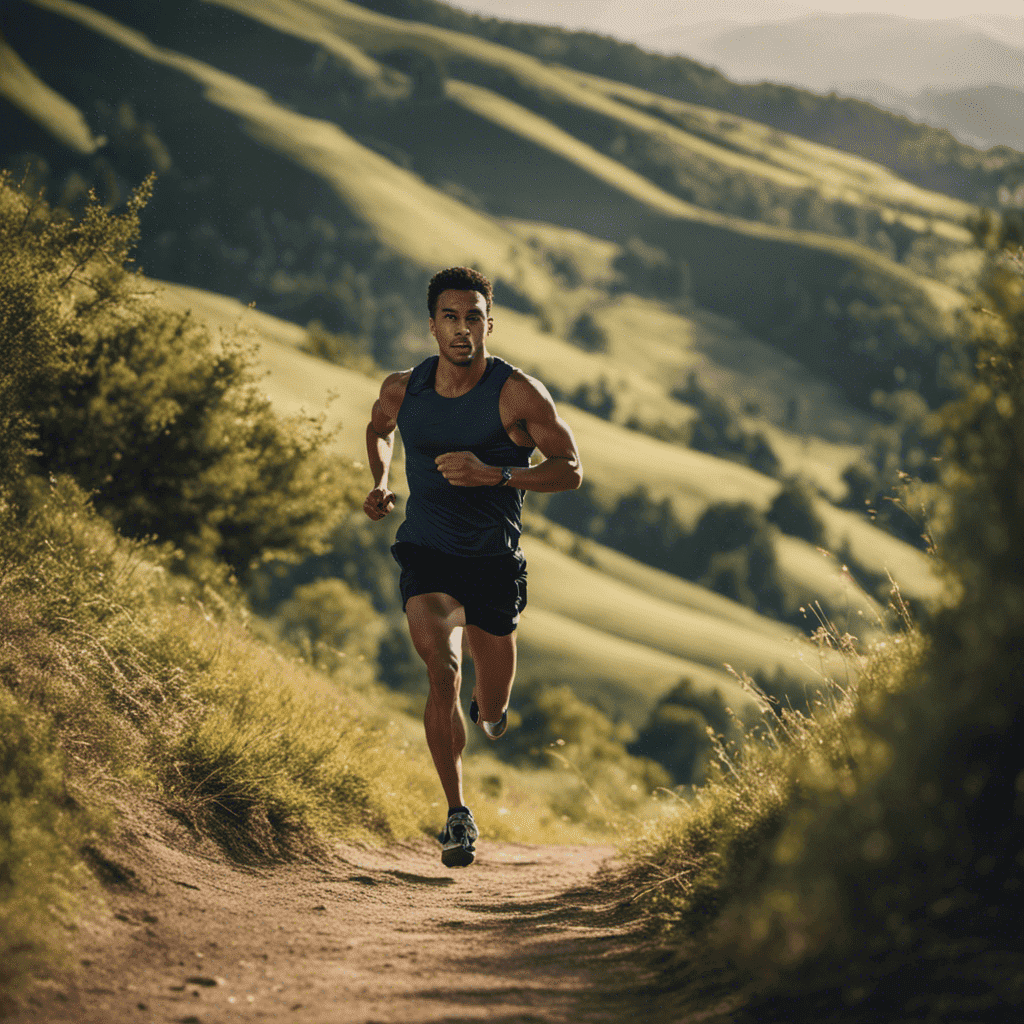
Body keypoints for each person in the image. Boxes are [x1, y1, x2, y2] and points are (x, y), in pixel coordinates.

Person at [363, 266, 583, 867]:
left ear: (491, 323)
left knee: (488, 705)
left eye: (474, 318)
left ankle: (493, 709)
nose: (463, 330)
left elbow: (570, 470)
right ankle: (458, 816)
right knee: (441, 670)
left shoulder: (518, 395)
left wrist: (497, 474)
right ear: (431, 324)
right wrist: (380, 482)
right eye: (451, 318)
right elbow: (378, 430)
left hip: (493, 563)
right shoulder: (404, 389)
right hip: (427, 553)